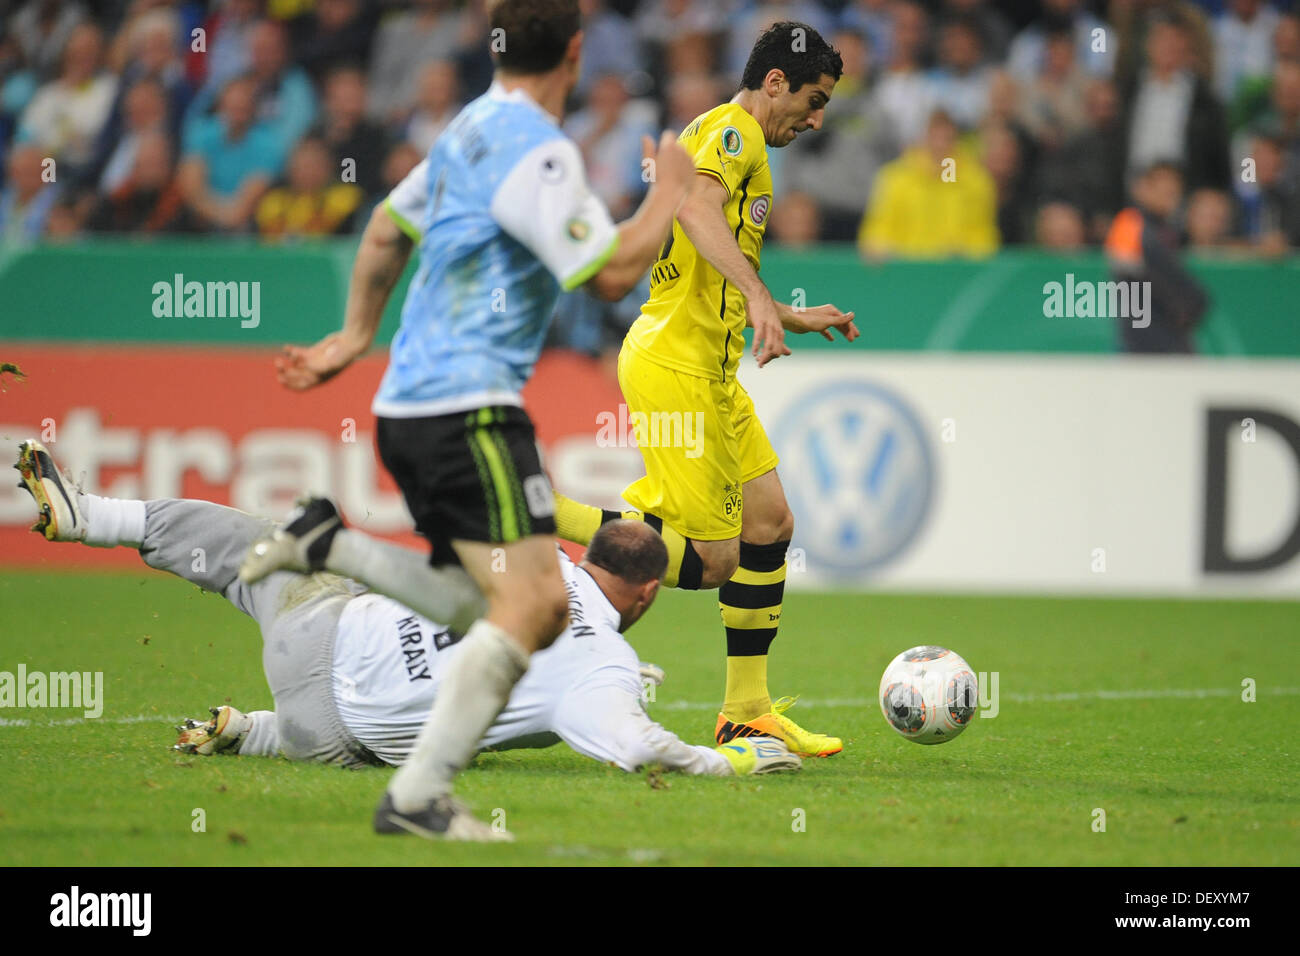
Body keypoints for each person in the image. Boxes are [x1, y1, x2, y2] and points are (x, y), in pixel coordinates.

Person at [238, 0, 695, 841]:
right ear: (576, 52)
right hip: (472, 409)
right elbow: (608, 272)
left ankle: (329, 546)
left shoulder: (464, 130)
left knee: (491, 603)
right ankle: (418, 796)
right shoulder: (539, 152)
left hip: (406, 405)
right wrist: (669, 189)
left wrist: (353, 336)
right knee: (531, 606)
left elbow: (382, 231)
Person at [13, 441, 798, 787]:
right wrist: (730, 760)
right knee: (474, 724)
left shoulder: (536, 559)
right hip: (330, 738)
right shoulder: (600, 665)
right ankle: (256, 733)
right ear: (649, 594)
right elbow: (637, 748)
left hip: (316, 631)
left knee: (248, 542)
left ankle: (93, 518)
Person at [552, 20, 858, 759]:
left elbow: (705, 253)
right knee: (715, 558)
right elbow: (693, 208)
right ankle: (533, 511)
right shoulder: (735, 133)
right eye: (813, 100)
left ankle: (746, 712)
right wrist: (758, 296)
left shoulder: (733, 139)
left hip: (708, 368)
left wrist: (783, 311)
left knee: (770, 524)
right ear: (776, 82)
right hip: (675, 364)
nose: (816, 119)